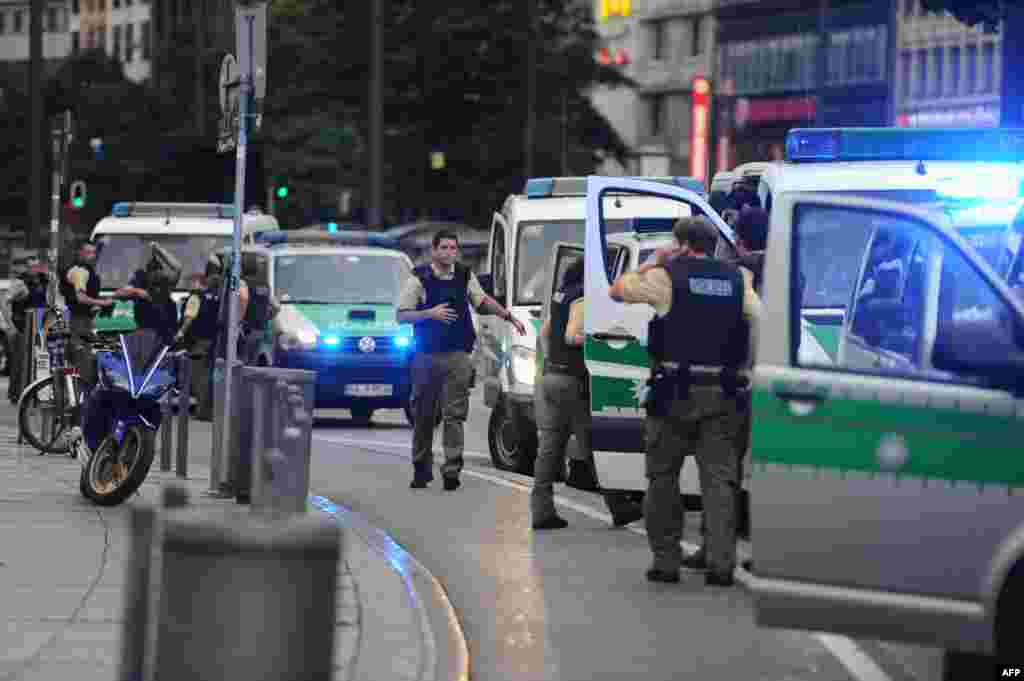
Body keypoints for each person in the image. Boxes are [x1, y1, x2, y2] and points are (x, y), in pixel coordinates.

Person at [609, 215, 757, 587]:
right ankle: (722, 565)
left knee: (662, 476)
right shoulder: (738, 279)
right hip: (723, 394)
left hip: (673, 392)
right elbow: (761, 319)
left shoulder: (666, 276)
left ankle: (666, 561)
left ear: (680, 244)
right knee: (720, 482)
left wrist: (652, 261)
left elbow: (617, 289)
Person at [397, 229, 525, 491]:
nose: (448, 253)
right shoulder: (419, 279)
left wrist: (507, 315)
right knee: (423, 415)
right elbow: (401, 315)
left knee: (455, 415)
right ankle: (421, 468)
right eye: (443, 248)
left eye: (452, 248)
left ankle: (452, 469)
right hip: (426, 356)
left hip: (458, 355)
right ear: (434, 251)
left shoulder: (465, 276)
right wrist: (429, 313)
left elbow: (482, 301)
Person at [530, 256, 598, 530]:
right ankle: (619, 506)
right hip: (572, 381)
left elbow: (544, 333)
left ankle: (541, 511)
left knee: (549, 446)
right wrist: (597, 336)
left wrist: (550, 360)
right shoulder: (581, 298)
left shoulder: (560, 297)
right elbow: (572, 336)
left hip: (551, 377)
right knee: (592, 443)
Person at [60, 239, 115, 385]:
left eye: (94, 253)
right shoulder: (80, 272)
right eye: (88, 252)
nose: (92, 256)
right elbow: (81, 298)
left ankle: (77, 391)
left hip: (83, 319)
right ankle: (80, 397)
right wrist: (103, 303)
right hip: (78, 321)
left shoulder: (85, 270)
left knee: (82, 359)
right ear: (80, 254)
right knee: (84, 362)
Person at [114, 243, 182, 346]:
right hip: (146, 332)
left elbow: (178, 268)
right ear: (148, 273)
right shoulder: (140, 281)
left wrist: (159, 250)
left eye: (158, 271)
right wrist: (137, 292)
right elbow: (119, 294)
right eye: (153, 272)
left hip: (165, 333)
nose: (156, 276)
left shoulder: (165, 281)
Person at [177, 268, 221, 421]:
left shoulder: (195, 298)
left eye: (190, 282)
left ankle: (202, 411)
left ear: (199, 283)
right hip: (213, 341)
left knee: (199, 378)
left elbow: (189, 318)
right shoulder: (217, 298)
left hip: (197, 342)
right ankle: (208, 410)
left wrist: (180, 333)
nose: (188, 285)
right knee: (208, 376)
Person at [3, 258, 48, 402]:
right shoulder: (20, 283)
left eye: (37, 266)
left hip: (37, 328)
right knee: (19, 363)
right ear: (27, 268)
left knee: (35, 363)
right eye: (31, 267)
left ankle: (30, 393)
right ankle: (16, 395)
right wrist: (10, 326)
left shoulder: (42, 282)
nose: (34, 270)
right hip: (22, 328)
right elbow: (4, 302)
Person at [240, 256, 280, 365]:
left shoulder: (243, 283)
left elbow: (243, 298)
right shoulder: (265, 284)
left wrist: (239, 319)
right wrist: (266, 317)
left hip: (245, 327)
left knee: (241, 359)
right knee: (252, 361)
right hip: (260, 328)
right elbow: (276, 306)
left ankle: (240, 381)